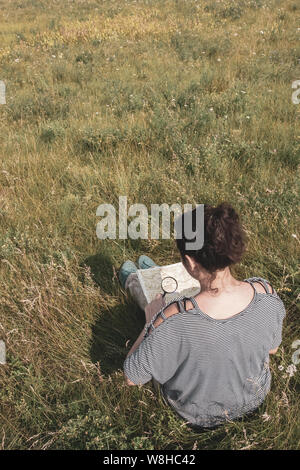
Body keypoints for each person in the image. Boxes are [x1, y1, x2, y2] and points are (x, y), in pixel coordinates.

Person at [120, 202, 286, 430]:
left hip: (196, 415)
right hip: (253, 400)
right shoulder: (266, 294)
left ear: (189, 262)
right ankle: (149, 271)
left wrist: (151, 321)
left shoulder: (171, 319)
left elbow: (132, 377)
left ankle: (134, 279)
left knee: (150, 294)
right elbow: (272, 349)